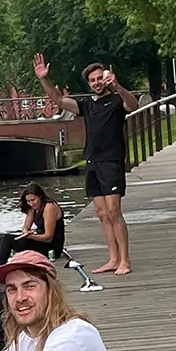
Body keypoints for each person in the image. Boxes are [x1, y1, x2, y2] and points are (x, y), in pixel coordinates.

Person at [33, 53, 138, 274]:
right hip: (92, 161)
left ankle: (125, 260)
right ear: (89, 84)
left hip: (112, 161)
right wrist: (44, 79)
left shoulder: (117, 100)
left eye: (99, 78)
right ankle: (112, 258)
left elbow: (134, 105)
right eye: (92, 80)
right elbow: (59, 101)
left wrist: (118, 86)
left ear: (106, 78)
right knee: (101, 212)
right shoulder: (87, 105)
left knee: (113, 210)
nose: (96, 83)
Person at [0, 181, 64, 270]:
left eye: (33, 200)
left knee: (7, 240)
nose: (31, 203)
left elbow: (48, 237)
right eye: (28, 201)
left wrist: (31, 236)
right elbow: (26, 226)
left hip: (52, 247)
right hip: (40, 241)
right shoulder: (32, 208)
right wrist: (25, 232)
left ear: (40, 197)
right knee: (4, 238)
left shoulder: (49, 207)